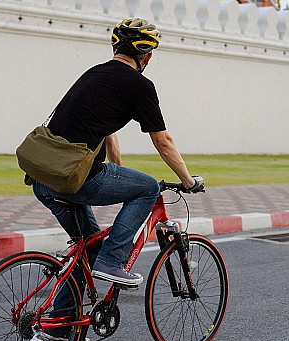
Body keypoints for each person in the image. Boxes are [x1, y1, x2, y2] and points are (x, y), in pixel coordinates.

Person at [32, 18, 204, 300]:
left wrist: (119, 171)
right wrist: (188, 180)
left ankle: (58, 325)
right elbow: (163, 141)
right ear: (147, 56)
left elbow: (106, 131)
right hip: (75, 177)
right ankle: (113, 262)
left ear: (116, 48)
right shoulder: (140, 86)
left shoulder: (94, 74)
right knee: (148, 187)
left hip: (43, 177)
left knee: (88, 249)